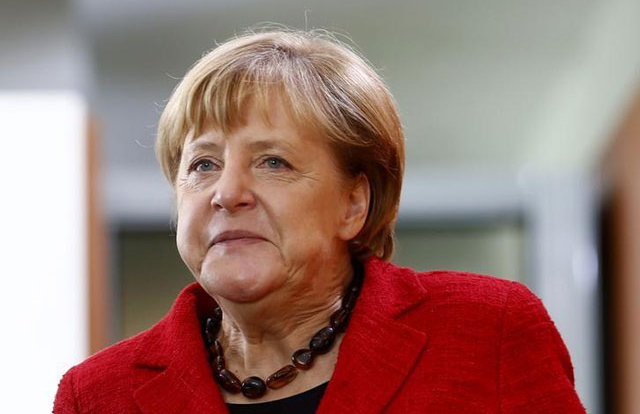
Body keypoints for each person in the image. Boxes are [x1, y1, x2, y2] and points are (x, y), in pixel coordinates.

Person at [54, 29, 585, 413]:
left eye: (273, 162)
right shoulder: (97, 396)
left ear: (354, 204)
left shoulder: (486, 329)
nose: (227, 193)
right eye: (203, 165)